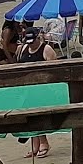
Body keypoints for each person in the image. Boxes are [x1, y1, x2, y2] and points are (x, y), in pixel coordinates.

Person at [17, 27, 57, 157]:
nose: (31, 44)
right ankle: (35, 144)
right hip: (27, 88)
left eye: (32, 41)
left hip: (42, 89)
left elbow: (54, 71)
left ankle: (44, 142)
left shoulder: (46, 50)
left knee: (39, 116)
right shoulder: (23, 48)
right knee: (30, 116)